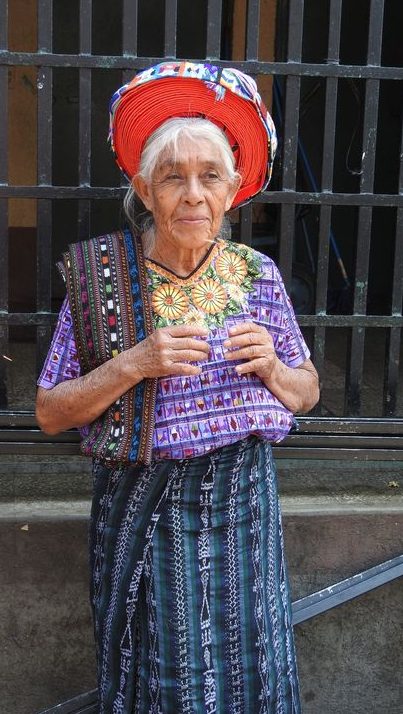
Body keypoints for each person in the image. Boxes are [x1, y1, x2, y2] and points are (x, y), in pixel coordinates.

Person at [36, 61, 319, 714]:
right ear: (143, 188)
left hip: (244, 510)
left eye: (210, 176)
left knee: (251, 664)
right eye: (172, 177)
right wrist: (133, 362)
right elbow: (50, 411)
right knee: (166, 673)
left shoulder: (258, 275)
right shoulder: (104, 277)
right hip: (150, 512)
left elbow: (304, 391)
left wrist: (274, 369)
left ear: (233, 189)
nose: (193, 195)